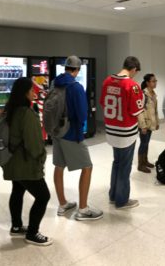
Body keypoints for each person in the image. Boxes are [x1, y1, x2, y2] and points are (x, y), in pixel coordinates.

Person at [1, 77, 52, 246]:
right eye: (31, 90)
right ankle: (32, 233)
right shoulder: (27, 114)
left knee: (17, 190)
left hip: (12, 161)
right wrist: (41, 158)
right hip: (26, 163)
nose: (34, 92)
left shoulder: (10, 110)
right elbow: (34, 144)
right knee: (43, 196)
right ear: (24, 93)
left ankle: (16, 226)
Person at [53, 56, 102, 221]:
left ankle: (62, 203)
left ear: (65, 67)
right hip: (72, 133)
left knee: (59, 166)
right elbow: (82, 114)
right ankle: (83, 208)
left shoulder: (55, 83)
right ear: (77, 70)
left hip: (57, 131)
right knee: (87, 166)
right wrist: (80, 130)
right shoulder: (76, 87)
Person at [101, 56, 144, 210]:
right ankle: (122, 200)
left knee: (116, 162)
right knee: (125, 166)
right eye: (135, 73)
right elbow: (136, 110)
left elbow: (102, 103)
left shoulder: (107, 81)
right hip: (126, 132)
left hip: (111, 129)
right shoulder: (131, 85)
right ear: (133, 69)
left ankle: (113, 195)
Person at [136, 74, 158, 173]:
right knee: (143, 143)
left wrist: (156, 122)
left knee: (146, 143)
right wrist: (143, 126)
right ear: (148, 83)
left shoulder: (153, 94)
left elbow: (155, 110)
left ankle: (145, 161)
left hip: (150, 123)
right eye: (153, 81)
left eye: (155, 81)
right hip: (144, 124)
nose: (155, 82)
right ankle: (140, 164)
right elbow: (139, 111)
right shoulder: (143, 94)